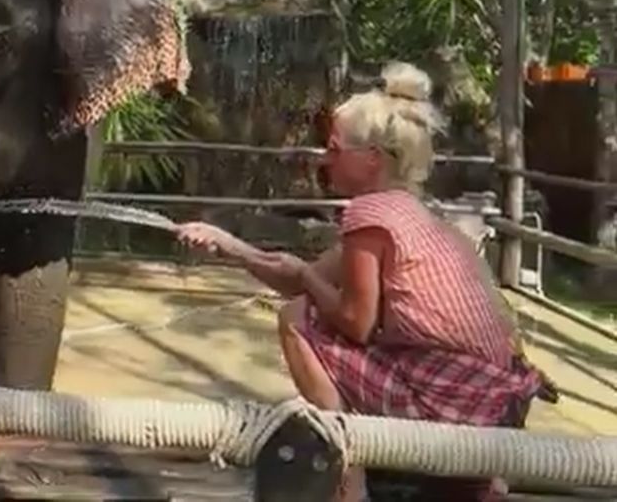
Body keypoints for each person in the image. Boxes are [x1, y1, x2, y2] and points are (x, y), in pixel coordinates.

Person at [174, 62, 544, 502]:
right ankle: (482, 482)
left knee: (295, 318)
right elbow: (300, 275)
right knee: (308, 305)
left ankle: (348, 477)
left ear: (371, 159)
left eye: (334, 149)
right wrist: (229, 246)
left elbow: (354, 322)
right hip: (498, 403)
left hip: (458, 406)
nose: (324, 159)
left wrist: (308, 277)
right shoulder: (408, 210)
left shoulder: (369, 215)